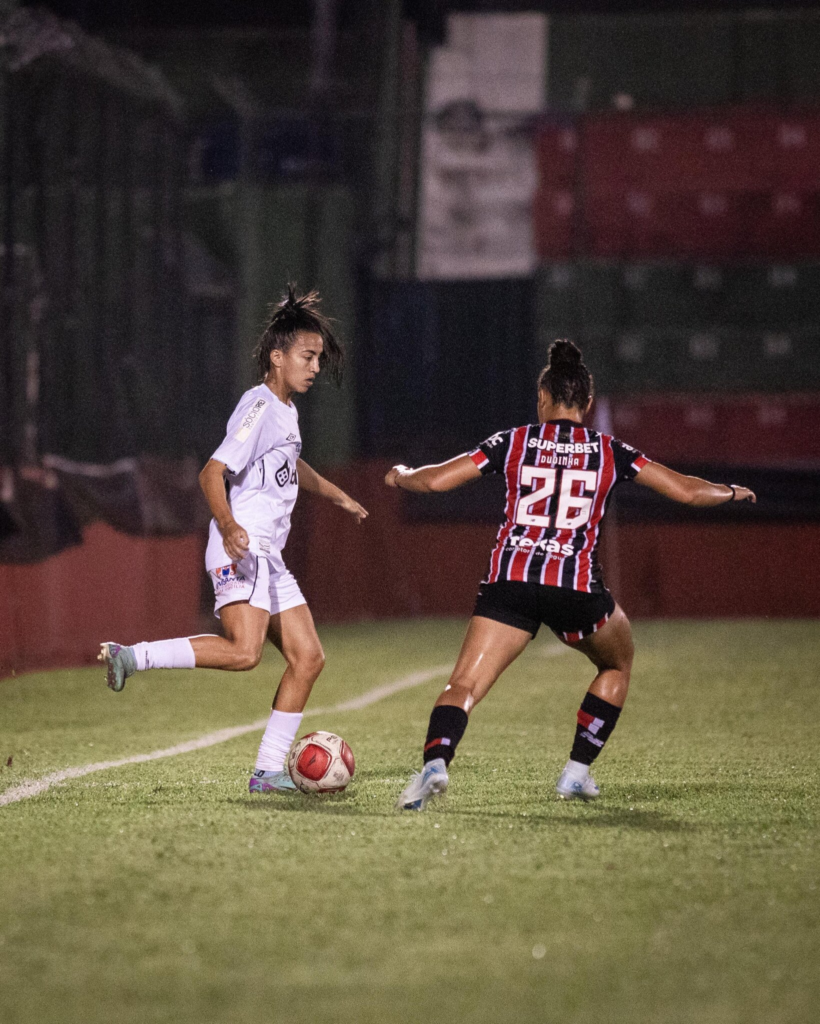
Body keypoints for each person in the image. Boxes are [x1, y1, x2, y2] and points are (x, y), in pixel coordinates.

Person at [388, 340, 755, 811]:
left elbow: (436, 480)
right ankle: (576, 774)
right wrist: (729, 491)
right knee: (617, 664)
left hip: (511, 580)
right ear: (587, 403)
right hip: (575, 586)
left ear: (543, 400)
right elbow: (684, 490)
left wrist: (400, 475)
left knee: (463, 685)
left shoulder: (513, 440)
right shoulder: (611, 451)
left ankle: (434, 766)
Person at [99, 287, 368, 794]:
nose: (314, 367)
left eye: (318, 359)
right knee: (245, 653)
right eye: (307, 357)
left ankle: (267, 773)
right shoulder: (259, 404)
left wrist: (335, 495)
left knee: (308, 658)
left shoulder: (285, 410)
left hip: (269, 554)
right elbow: (212, 471)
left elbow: (292, 465)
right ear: (278, 356)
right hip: (243, 547)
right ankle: (131, 656)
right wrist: (227, 525)